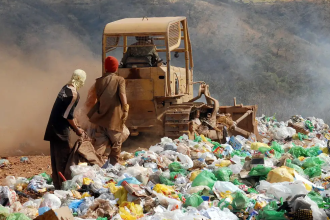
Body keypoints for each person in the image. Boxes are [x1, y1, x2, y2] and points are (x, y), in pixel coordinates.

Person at [44, 69, 87, 189]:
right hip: (60, 131)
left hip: (52, 128)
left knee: (55, 160)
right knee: (64, 160)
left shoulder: (65, 88)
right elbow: (68, 116)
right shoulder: (74, 94)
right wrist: (77, 130)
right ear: (81, 80)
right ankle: (65, 188)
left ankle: (58, 186)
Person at [87, 56, 129, 166]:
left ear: (105, 68)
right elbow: (122, 94)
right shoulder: (120, 80)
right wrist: (125, 108)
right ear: (115, 68)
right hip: (114, 118)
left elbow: (94, 98)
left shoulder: (99, 81)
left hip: (100, 117)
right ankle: (113, 165)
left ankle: (94, 165)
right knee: (116, 143)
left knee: (100, 144)